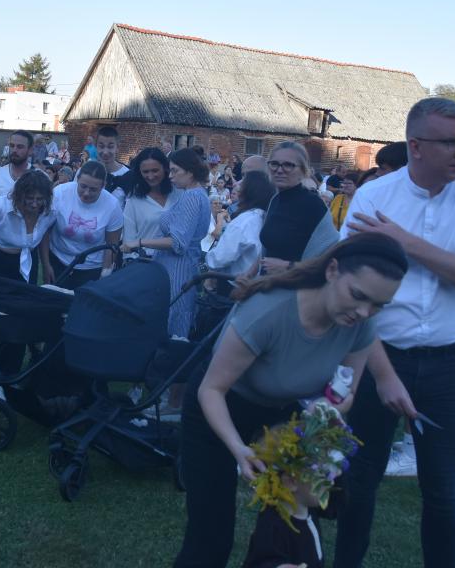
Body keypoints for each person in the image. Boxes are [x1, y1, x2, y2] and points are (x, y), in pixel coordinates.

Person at [334, 97, 455, 568]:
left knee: (443, 489)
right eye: (449, 142)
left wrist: (406, 242)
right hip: (379, 354)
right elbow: (351, 291)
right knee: (360, 480)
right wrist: (384, 374)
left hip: (450, 361)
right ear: (415, 146)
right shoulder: (375, 197)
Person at [173, 234, 409, 568]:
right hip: (221, 405)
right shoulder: (269, 311)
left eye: (378, 305)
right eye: (358, 295)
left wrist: (326, 407)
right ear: (332, 271)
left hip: (284, 412)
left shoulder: (361, 325)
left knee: (295, 522)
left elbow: (346, 393)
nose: (364, 312)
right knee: (211, 536)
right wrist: (239, 449)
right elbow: (211, 390)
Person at [0, 170, 57, 394]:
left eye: (40, 199)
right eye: (30, 199)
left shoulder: (49, 212)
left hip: (26, 263)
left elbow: (45, 233)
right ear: (19, 195)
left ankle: (11, 373)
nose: (35, 204)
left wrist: (46, 264)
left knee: (21, 317)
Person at [122, 148, 210, 339]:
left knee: (173, 322)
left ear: (190, 171)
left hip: (176, 269)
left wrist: (139, 242)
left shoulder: (191, 196)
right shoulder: (198, 194)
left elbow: (178, 243)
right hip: (172, 266)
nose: (171, 176)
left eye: (175, 171)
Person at [259, 142, 337, 275]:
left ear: (303, 170)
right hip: (267, 282)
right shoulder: (275, 200)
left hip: (297, 284)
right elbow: (268, 247)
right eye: (274, 164)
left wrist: (288, 266)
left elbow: (331, 256)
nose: (279, 170)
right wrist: (250, 274)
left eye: (288, 165)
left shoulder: (313, 204)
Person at [46, 160, 123, 289]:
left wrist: (105, 274)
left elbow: (111, 246)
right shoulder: (60, 193)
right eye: (83, 186)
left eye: (93, 189)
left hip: (91, 268)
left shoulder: (112, 206)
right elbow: (45, 231)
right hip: (57, 260)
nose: (86, 193)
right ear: (77, 179)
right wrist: (46, 264)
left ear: (103, 186)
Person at [205, 171, 275, 279]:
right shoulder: (266, 217)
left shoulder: (244, 222)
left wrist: (207, 258)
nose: (236, 185)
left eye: (242, 184)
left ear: (248, 191)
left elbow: (219, 259)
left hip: (235, 282)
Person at [122, 147, 178, 256]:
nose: (150, 176)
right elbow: (129, 240)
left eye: (155, 170)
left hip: (177, 260)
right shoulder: (133, 200)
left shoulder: (178, 193)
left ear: (165, 168)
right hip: (145, 260)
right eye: (145, 172)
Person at [95, 125, 134, 206]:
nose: (105, 152)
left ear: (117, 148)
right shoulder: (86, 171)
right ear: (96, 147)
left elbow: (131, 208)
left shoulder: (128, 176)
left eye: (110, 147)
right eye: (101, 146)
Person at [0, 131, 33, 198]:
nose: (14, 150)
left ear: (30, 150)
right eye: (12, 146)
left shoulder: (40, 177)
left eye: (20, 147)